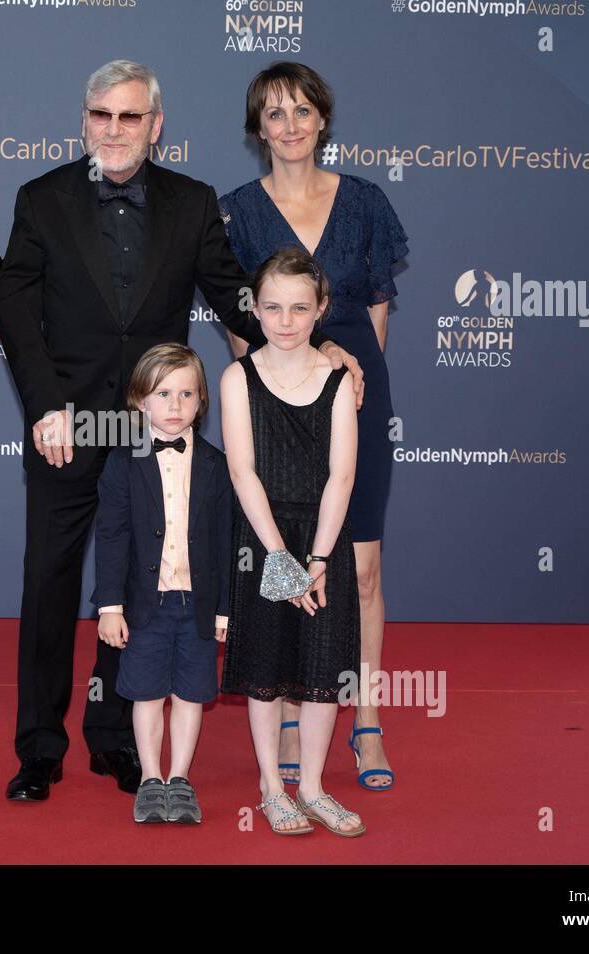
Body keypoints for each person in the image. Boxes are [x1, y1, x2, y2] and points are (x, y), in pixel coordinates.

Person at [0, 58, 364, 801]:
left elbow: (236, 299)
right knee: (50, 585)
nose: (116, 129)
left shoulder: (192, 203)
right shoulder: (41, 198)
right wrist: (44, 405)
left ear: (155, 125)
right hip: (70, 424)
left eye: (131, 116)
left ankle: (115, 742)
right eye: (102, 115)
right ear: (85, 119)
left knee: (133, 584)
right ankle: (38, 750)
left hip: (151, 431)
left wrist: (309, 342)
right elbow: (12, 302)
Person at [218, 61, 407, 791]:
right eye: (274, 113)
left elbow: (377, 315)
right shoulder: (235, 211)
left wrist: (345, 389)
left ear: (322, 119)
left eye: (302, 111)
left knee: (359, 568)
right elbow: (242, 323)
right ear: (256, 127)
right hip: (271, 403)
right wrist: (293, 377)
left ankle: (365, 721)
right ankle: (292, 711)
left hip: (353, 397)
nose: (290, 125)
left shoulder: (364, 202)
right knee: (287, 564)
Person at [219, 247, 364, 837]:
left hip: (324, 539)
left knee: (324, 667)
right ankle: (271, 788)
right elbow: (242, 471)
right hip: (264, 540)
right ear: (254, 308)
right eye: (273, 307)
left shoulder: (337, 380)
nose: (284, 320)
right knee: (265, 665)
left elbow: (342, 475)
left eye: (299, 308)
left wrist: (320, 560)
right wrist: (280, 560)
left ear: (320, 309)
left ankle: (313, 786)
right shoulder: (238, 377)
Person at [90, 344, 233, 824]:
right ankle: (151, 778)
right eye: (163, 393)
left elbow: (225, 540)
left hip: (198, 603)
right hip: (144, 603)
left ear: (201, 401)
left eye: (187, 394)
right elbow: (110, 534)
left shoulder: (216, 464)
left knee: (192, 694)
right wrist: (110, 605)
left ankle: (180, 778)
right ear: (139, 401)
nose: (175, 406)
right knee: (147, 693)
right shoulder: (122, 460)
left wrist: (224, 610)